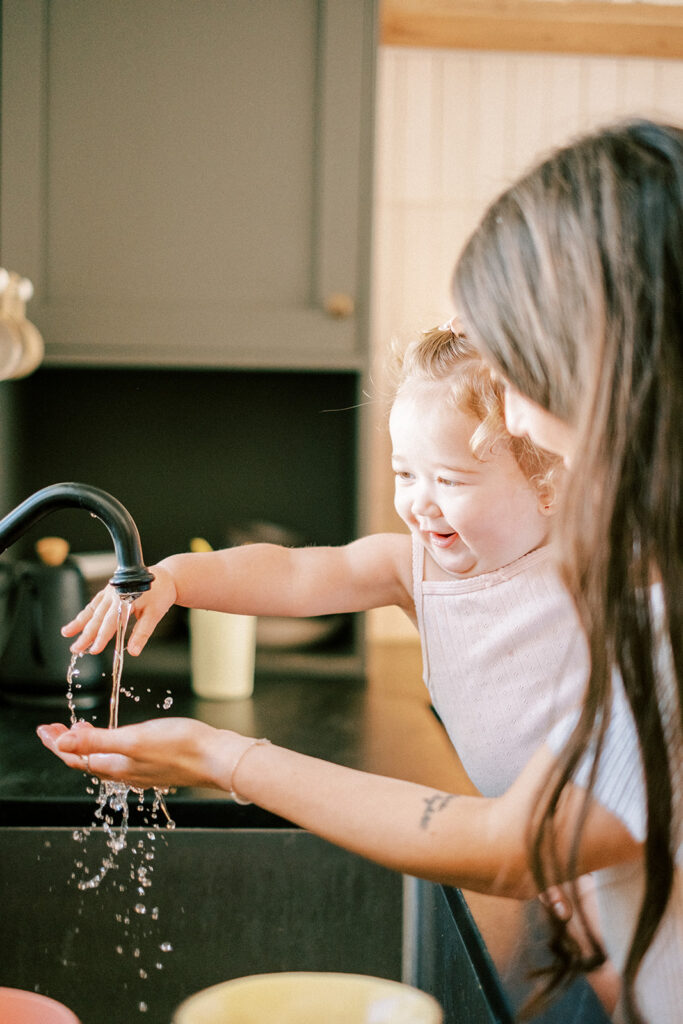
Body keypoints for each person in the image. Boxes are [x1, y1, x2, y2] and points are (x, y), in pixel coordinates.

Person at [38, 119, 681, 1023]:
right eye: (405, 473)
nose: (527, 419)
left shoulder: (625, 592)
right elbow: (305, 572)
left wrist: (220, 756)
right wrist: (178, 574)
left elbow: (513, 846)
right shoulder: (469, 572)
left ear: (608, 367)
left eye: (530, 374)